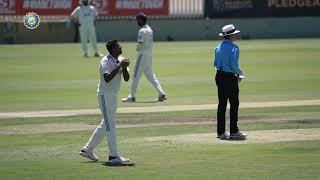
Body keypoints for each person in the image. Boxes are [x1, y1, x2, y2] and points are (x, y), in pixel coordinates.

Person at [79, 40, 133, 165]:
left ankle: (87, 149)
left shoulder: (121, 58)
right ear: (113, 49)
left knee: (106, 124)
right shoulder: (105, 61)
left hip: (113, 95)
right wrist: (120, 66)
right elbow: (107, 78)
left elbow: (126, 78)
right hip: (104, 95)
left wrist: (124, 68)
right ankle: (113, 156)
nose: (121, 47)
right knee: (110, 125)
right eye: (118, 46)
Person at [122, 12, 167, 102]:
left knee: (135, 76)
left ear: (141, 20)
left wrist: (137, 48)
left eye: (137, 20)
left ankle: (132, 97)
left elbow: (139, 45)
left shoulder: (142, 31)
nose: (136, 22)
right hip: (149, 55)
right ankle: (161, 93)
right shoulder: (149, 29)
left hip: (142, 55)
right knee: (150, 76)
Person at [213, 24, 247, 140]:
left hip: (219, 75)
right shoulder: (234, 48)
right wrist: (240, 73)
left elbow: (216, 64)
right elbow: (234, 65)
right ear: (231, 35)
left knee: (222, 104)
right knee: (234, 103)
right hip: (229, 77)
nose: (235, 36)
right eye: (234, 34)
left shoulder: (217, 48)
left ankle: (221, 132)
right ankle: (234, 131)